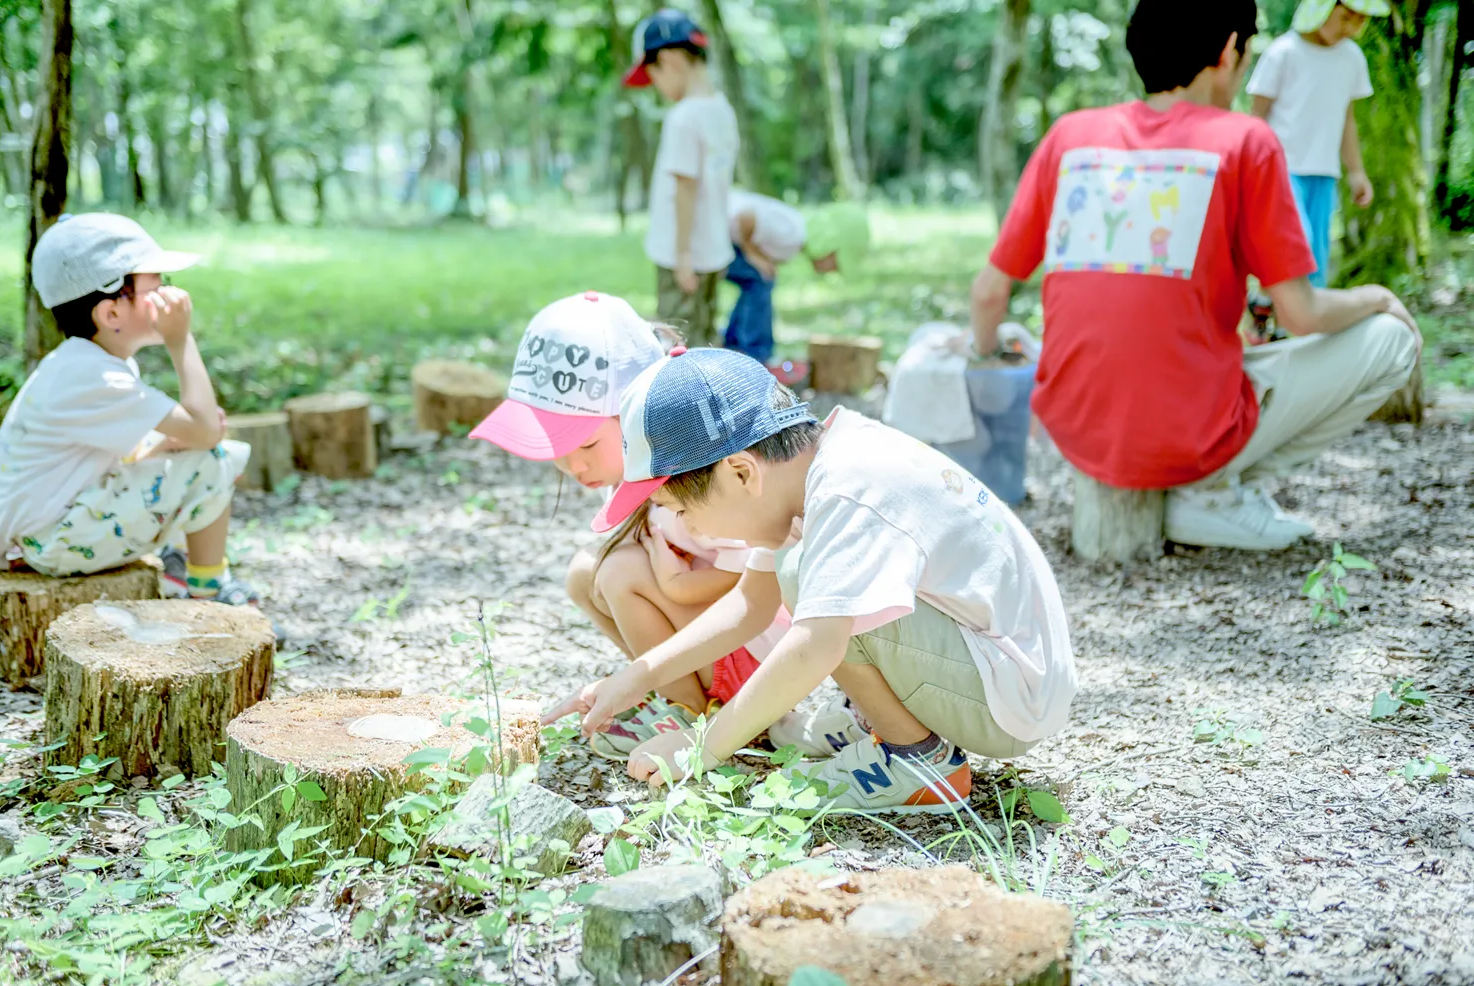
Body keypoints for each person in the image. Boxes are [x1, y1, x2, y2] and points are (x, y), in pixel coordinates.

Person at [967, 0, 1420, 552]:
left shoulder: (1070, 136)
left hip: (1075, 426)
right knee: (1394, 341)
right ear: (1230, 50)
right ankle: (1211, 494)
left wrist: (988, 356)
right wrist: (1375, 296)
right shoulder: (1245, 141)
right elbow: (1301, 315)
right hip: (1189, 433)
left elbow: (990, 292)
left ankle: (1199, 485)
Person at [556, 348, 1076, 816]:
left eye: (682, 511)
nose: (692, 530)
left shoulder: (846, 489)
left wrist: (702, 750)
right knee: (802, 574)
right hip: (989, 666)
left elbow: (814, 647)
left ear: (740, 473)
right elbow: (749, 605)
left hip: (1010, 696)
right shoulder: (810, 471)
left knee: (810, 581)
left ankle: (919, 763)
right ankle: (873, 722)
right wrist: (638, 675)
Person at [467, 292, 789, 759]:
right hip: (714, 642)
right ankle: (675, 695)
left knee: (618, 572)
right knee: (586, 572)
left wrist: (675, 584)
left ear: (638, 411)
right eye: (555, 445)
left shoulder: (695, 472)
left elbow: (762, 583)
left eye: (585, 442)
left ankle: (694, 715)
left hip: (755, 650)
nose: (572, 464)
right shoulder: (625, 462)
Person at [0, 213, 259, 604]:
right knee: (212, 460)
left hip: (52, 528)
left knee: (184, 453)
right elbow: (207, 431)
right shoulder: (94, 376)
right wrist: (181, 340)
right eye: (157, 287)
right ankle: (208, 593)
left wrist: (164, 446)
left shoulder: (88, 363)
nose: (171, 299)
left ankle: (179, 569)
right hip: (55, 541)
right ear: (111, 313)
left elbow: (118, 452)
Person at [1248, 0, 1387, 288]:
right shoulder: (1283, 53)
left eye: (1359, 21)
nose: (1350, 28)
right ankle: (1267, 305)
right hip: (1281, 168)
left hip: (1324, 172)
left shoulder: (1352, 58)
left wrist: (1357, 172)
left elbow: (1347, 120)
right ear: (1321, 7)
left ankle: (1304, 326)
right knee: (1295, 242)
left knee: (1316, 259)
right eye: (1345, 17)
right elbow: (1256, 118)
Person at [624, 9, 739, 346]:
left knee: (675, 345)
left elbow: (686, 186)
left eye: (653, 74)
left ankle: (679, 400)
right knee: (703, 339)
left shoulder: (684, 117)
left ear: (670, 59)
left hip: (682, 255)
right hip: (714, 251)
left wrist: (683, 255)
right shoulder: (722, 109)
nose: (656, 86)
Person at [722, 190, 840, 363]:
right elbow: (746, 215)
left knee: (759, 280)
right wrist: (751, 253)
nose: (832, 269)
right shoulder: (793, 235)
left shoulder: (794, 238)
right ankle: (754, 353)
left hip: (723, 233)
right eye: (834, 263)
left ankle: (735, 344)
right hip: (713, 232)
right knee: (761, 278)